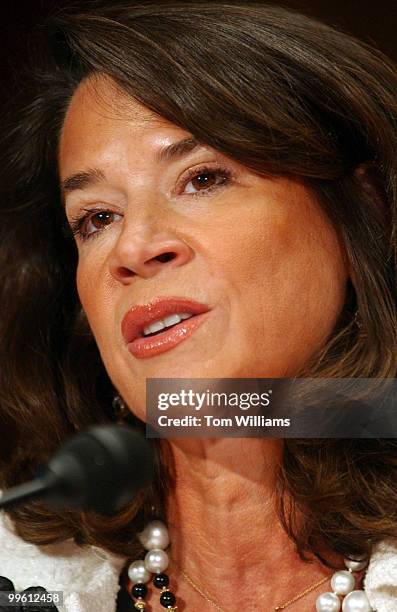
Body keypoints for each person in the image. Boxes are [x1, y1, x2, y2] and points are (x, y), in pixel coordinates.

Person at [0, 1, 396, 610]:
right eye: (97, 218)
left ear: (361, 210)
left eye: (203, 178)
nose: (133, 248)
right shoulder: (25, 580)